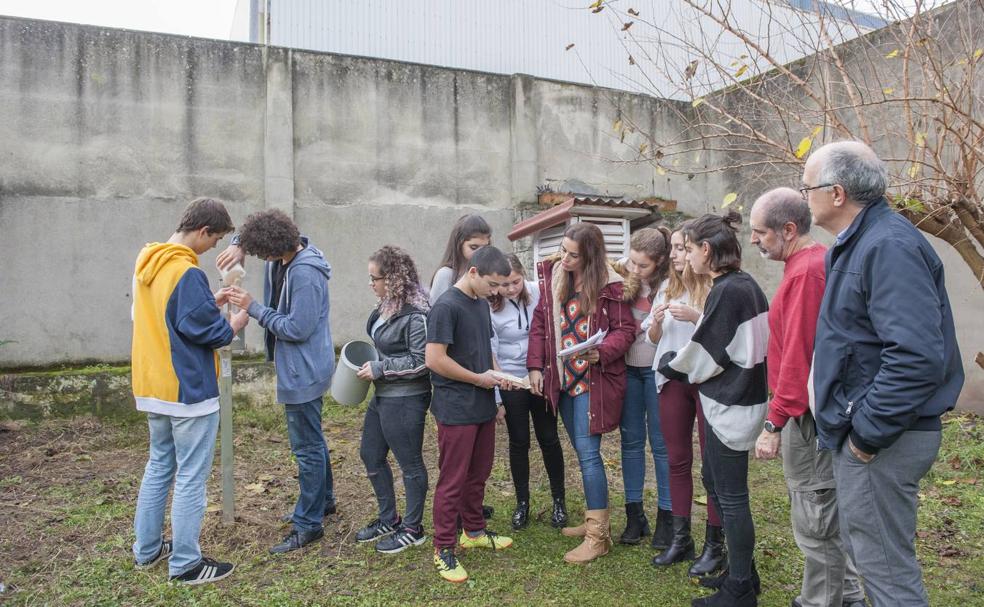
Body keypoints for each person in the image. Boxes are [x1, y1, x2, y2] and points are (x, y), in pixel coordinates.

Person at [805, 141, 963, 607]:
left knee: (886, 571)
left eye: (807, 185)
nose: (803, 195)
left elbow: (915, 356)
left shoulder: (887, 245)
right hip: (871, 434)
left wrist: (866, 437)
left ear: (836, 193)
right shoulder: (861, 242)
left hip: (885, 440)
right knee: (871, 558)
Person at [749, 188, 866, 607]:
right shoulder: (806, 264)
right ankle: (847, 597)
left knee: (816, 518)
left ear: (789, 229)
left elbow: (799, 355)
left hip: (808, 417)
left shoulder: (807, 271)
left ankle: (820, 601)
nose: (754, 241)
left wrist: (773, 422)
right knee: (825, 514)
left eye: (759, 232)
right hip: (812, 411)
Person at [131, 197, 248, 585]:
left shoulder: (147, 262)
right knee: (191, 478)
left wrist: (206, 302)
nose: (214, 248)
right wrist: (237, 321)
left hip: (152, 384)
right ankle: (185, 564)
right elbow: (210, 332)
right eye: (214, 240)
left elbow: (166, 315)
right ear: (202, 231)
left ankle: (147, 550)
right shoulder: (186, 270)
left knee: (159, 466)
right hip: (187, 389)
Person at [658, 211, 769, 607]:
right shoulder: (742, 285)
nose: (685, 259)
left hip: (732, 406)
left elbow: (706, 354)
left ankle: (739, 590)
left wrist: (669, 362)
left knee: (732, 498)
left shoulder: (728, 290)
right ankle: (743, 575)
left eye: (688, 250)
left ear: (706, 250)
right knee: (718, 489)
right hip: (736, 401)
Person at [225, 209, 336, 555]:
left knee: (306, 448)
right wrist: (238, 245)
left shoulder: (304, 274)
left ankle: (308, 524)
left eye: (261, 254)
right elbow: (254, 232)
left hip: (304, 368)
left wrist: (253, 308)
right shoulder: (288, 253)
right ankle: (324, 501)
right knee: (313, 438)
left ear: (274, 248)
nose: (260, 259)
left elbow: (296, 328)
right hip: (300, 365)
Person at [527, 222, 635, 564]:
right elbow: (541, 324)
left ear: (590, 257)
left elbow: (626, 330)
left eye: (574, 255)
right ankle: (593, 518)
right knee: (580, 450)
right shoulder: (554, 275)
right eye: (563, 250)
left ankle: (598, 537)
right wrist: (534, 366)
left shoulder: (611, 285)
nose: (565, 258)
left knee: (588, 454)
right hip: (563, 378)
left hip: (593, 380)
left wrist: (601, 352)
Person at [426, 246, 516, 583]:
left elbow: (485, 349)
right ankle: (443, 547)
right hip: (456, 408)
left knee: (478, 474)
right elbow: (435, 359)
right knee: (453, 480)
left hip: (482, 405)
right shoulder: (446, 306)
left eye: (502, 286)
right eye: (493, 284)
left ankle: (474, 532)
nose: (497, 292)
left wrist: (500, 377)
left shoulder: (480, 304)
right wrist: (480, 379)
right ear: (474, 272)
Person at [646, 226, 724, 578]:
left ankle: (715, 543)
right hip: (672, 378)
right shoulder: (666, 287)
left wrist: (696, 318)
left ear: (699, 251)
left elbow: (724, 335)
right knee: (677, 459)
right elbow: (651, 337)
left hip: (706, 379)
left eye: (682, 248)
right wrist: (658, 323)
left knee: (712, 464)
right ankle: (681, 539)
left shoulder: (714, 289)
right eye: (674, 248)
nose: (675, 254)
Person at [353, 246, 432, 554]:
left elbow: (423, 360)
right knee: (370, 454)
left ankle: (413, 529)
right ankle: (389, 518)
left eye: (375, 278)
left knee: (410, 463)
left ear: (394, 278)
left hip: (407, 398)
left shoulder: (416, 314)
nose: (371, 284)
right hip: (384, 393)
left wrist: (381, 367)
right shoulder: (387, 305)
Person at [489, 254, 568, 531]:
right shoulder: (492, 304)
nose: (511, 289)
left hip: (541, 376)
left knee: (549, 437)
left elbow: (549, 332)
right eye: (504, 284)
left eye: (516, 282)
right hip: (511, 379)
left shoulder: (539, 293)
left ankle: (559, 500)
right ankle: (522, 502)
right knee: (519, 440)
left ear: (524, 276)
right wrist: (499, 389)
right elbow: (492, 350)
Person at [614, 228, 673, 547]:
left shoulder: (669, 284)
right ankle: (634, 514)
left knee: (661, 445)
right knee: (631, 442)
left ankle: (667, 516)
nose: (635, 270)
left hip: (656, 371)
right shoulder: (624, 270)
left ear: (660, 262)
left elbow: (659, 335)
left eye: (643, 266)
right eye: (632, 262)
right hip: (628, 370)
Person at [429, 214, 493, 306]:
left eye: (484, 248)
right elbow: (436, 314)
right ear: (459, 244)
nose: (480, 254)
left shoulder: (487, 274)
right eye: (473, 247)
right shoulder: (445, 275)